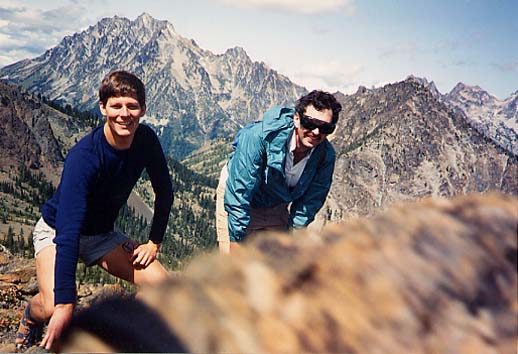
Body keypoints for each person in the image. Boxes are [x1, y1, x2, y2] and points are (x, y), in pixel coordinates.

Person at [15, 70, 174, 352]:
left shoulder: (146, 139)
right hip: (57, 232)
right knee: (53, 306)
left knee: (168, 288)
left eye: (132, 106)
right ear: (103, 108)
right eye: (116, 106)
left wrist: (153, 242)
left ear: (143, 109)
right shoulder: (84, 157)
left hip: (101, 236)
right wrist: (65, 304)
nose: (125, 114)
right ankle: (31, 315)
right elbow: (69, 230)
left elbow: (164, 191)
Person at [216, 90, 342, 254]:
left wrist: (293, 241)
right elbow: (240, 191)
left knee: (279, 264)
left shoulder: (325, 156)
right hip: (237, 197)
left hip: (276, 203)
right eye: (310, 123)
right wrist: (236, 240)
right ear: (297, 119)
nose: (316, 132)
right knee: (231, 268)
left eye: (325, 127)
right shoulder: (259, 137)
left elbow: (309, 203)